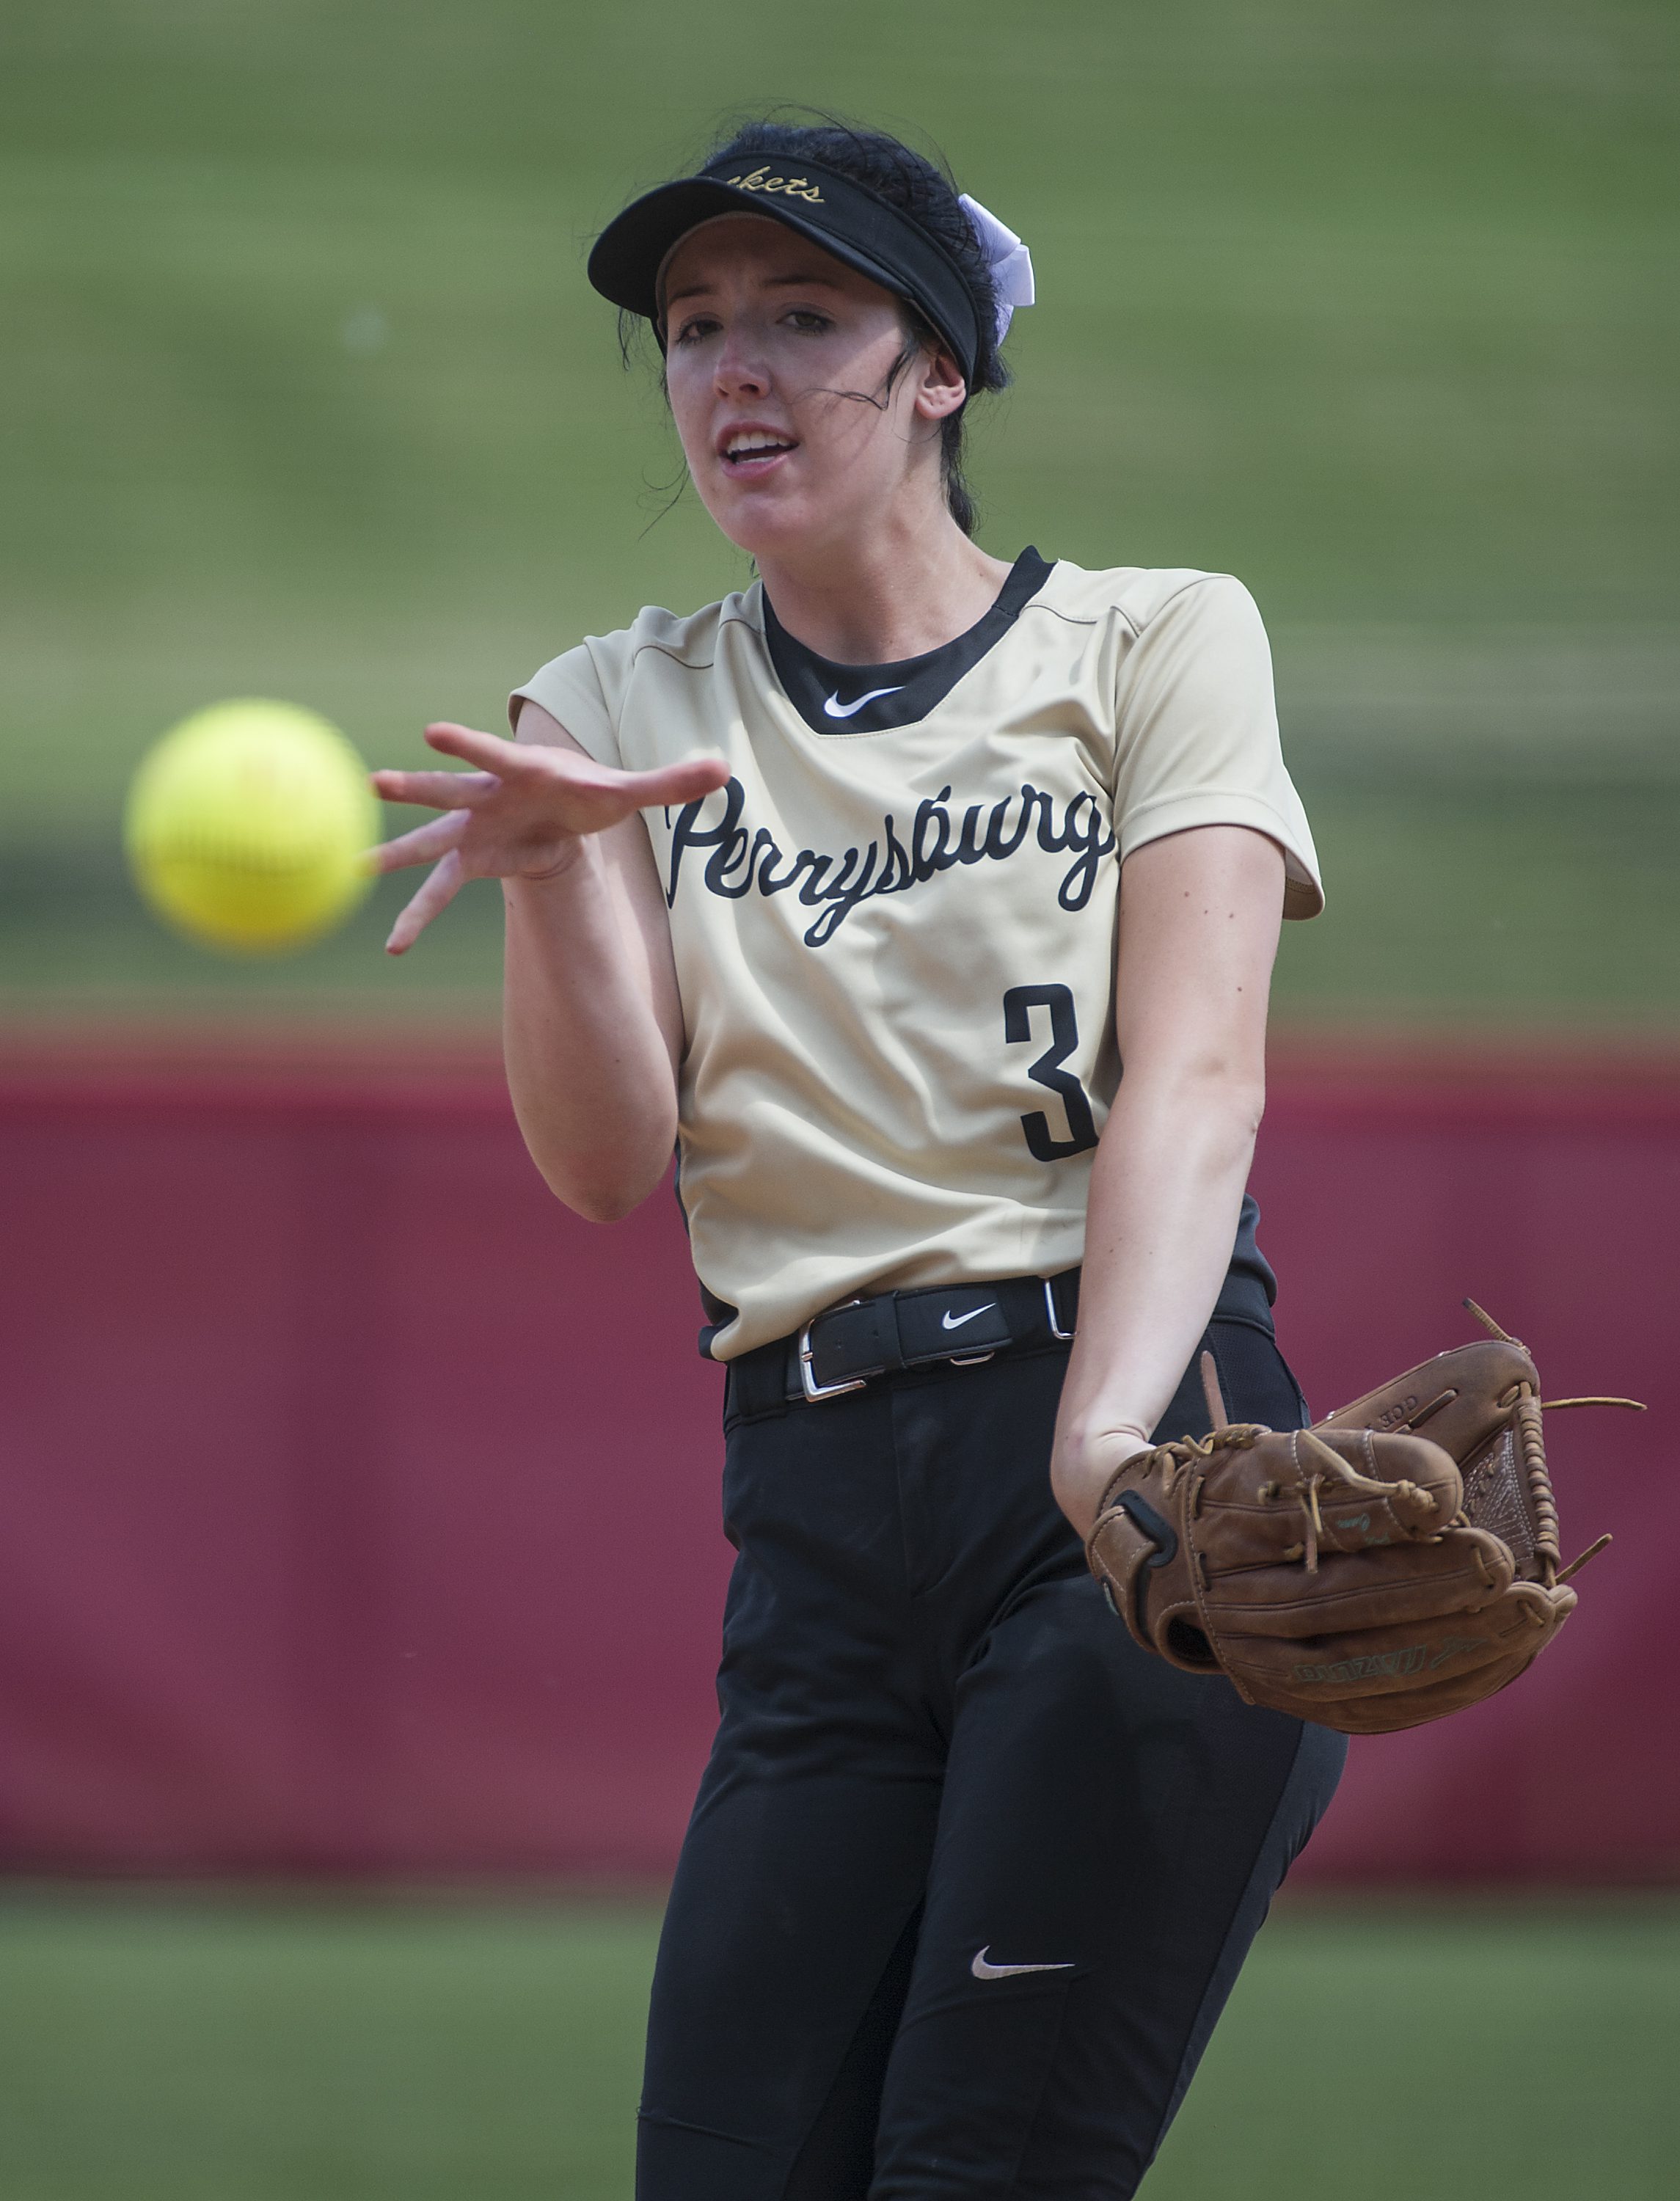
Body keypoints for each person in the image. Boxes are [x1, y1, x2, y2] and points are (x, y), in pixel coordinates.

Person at [370, 117, 1346, 2201]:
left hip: (1125, 1455)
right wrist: (552, 879)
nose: (733, 368)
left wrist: (1108, 1451)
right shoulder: (612, 701)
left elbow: (1197, 1079)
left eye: (803, 315)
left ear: (938, 371)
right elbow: (604, 1163)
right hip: (815, 1523)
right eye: (694, 326)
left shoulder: (1150, 644)